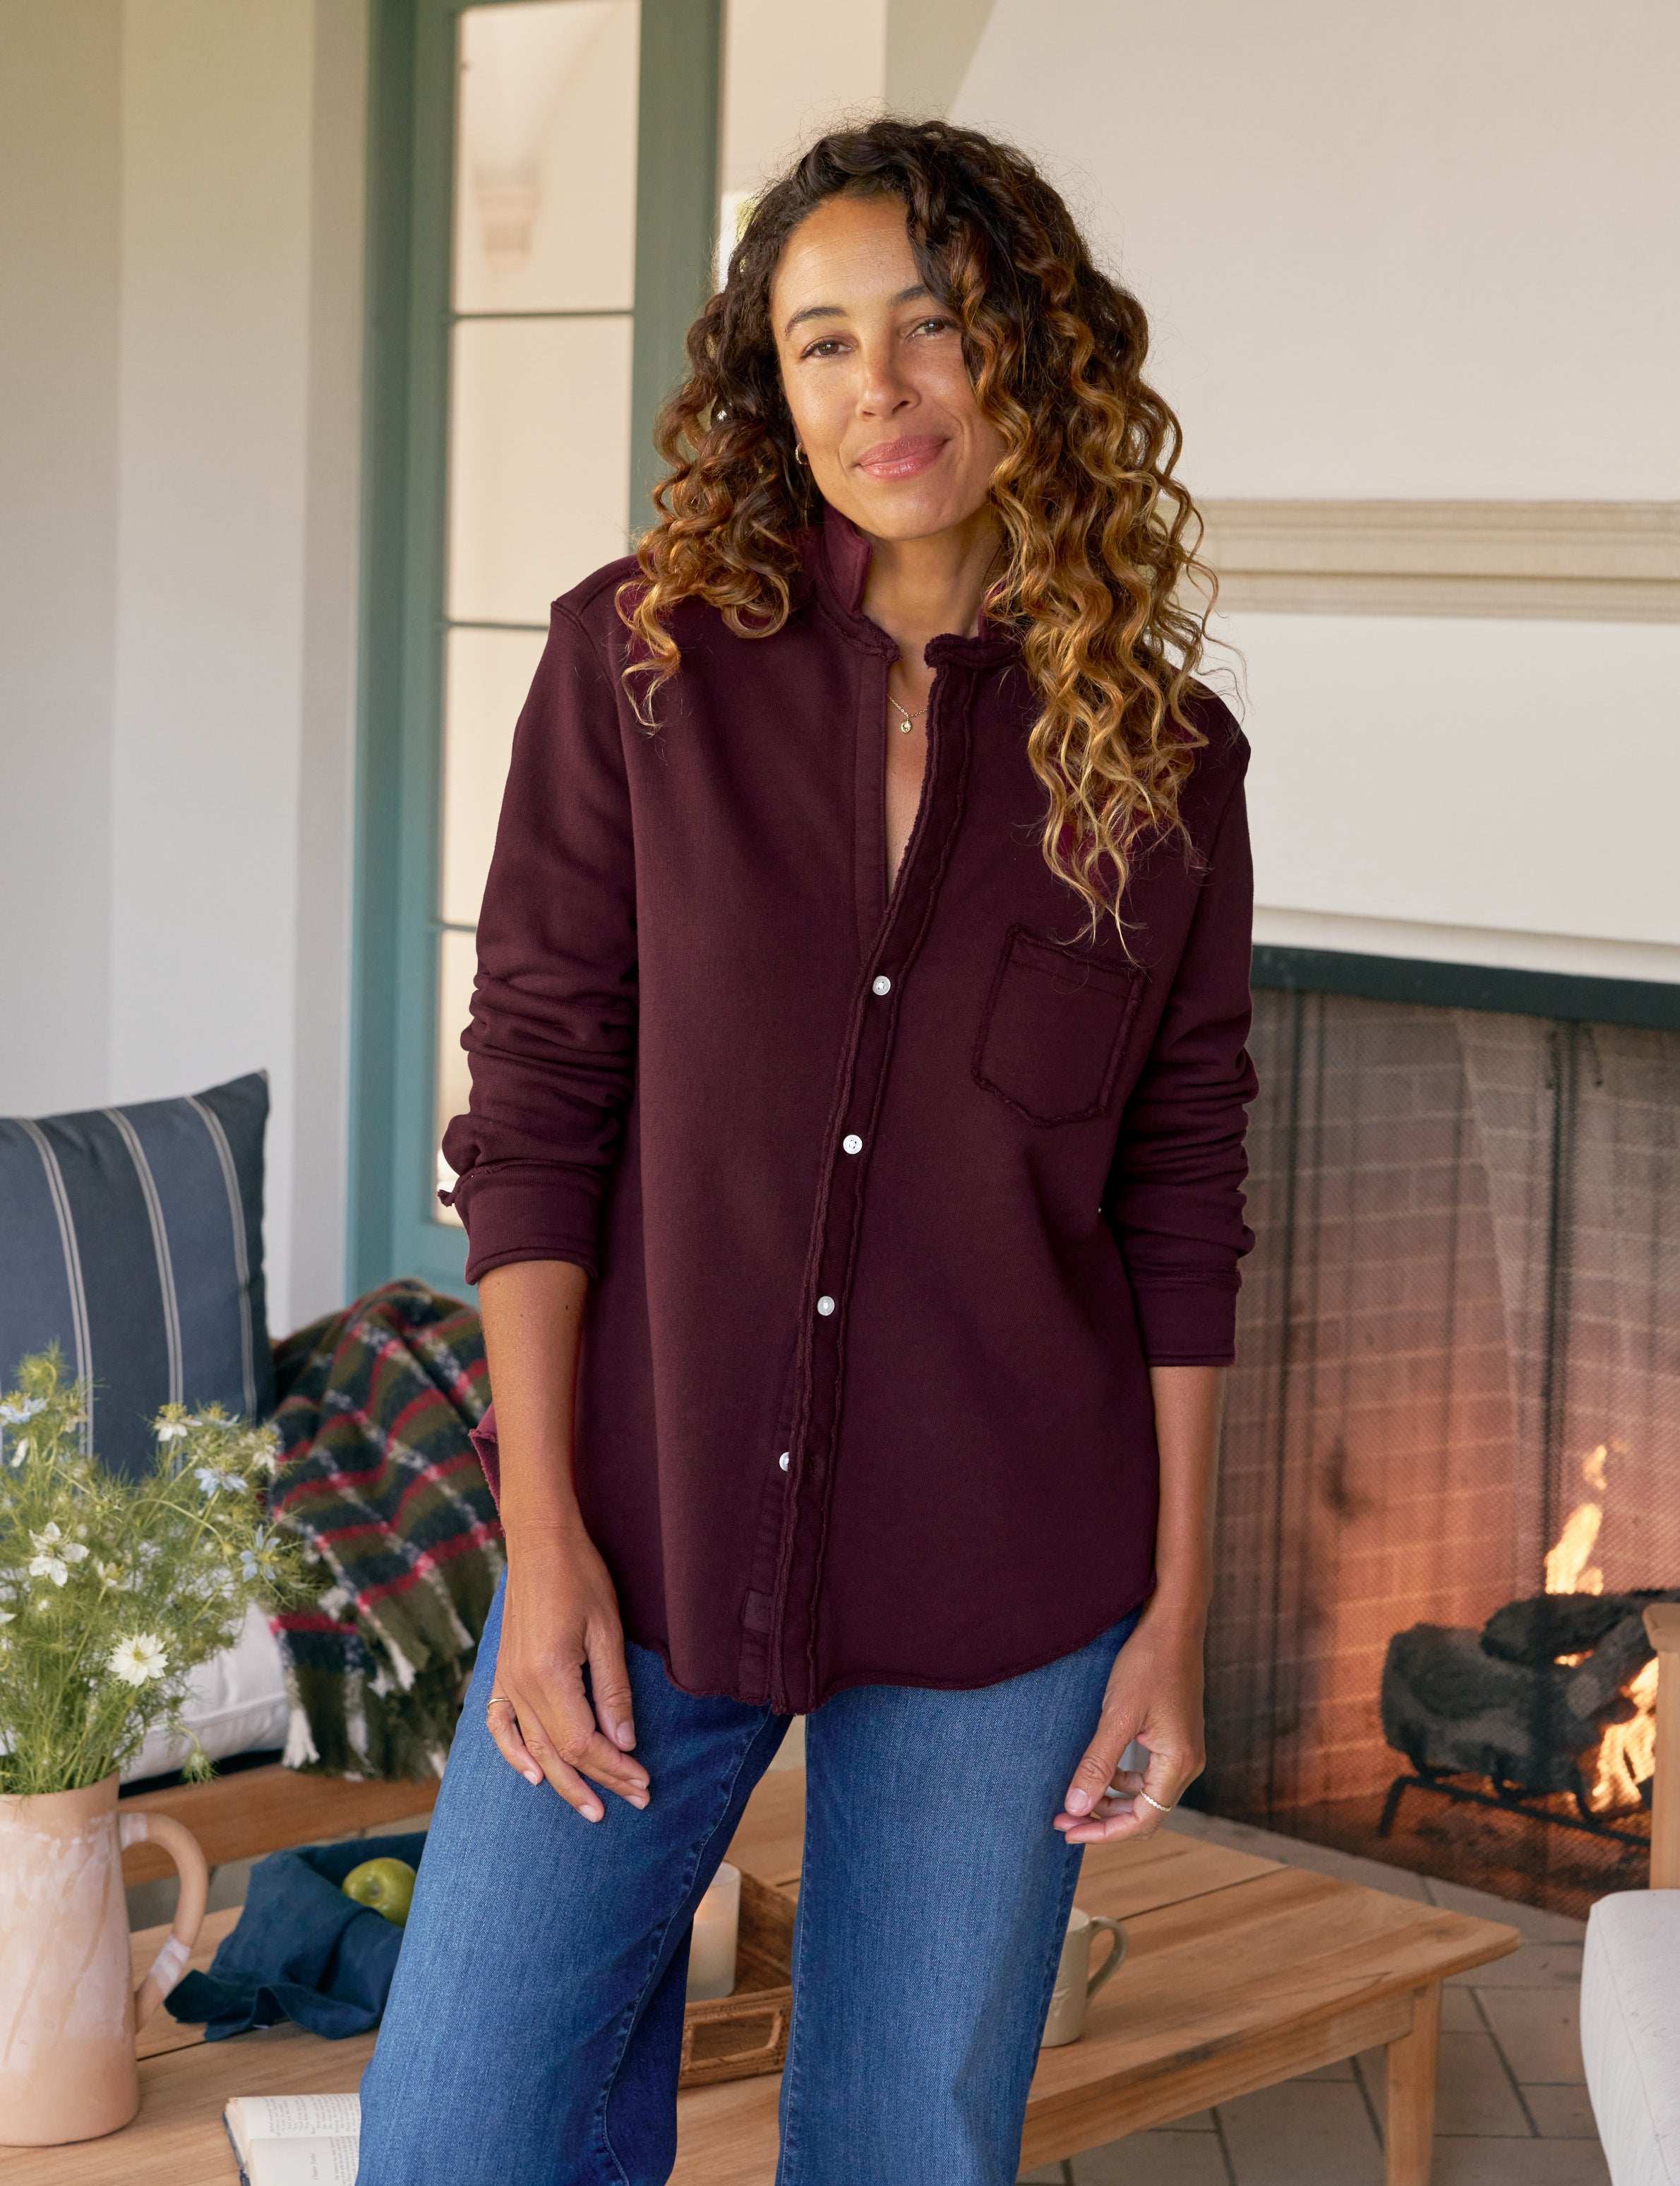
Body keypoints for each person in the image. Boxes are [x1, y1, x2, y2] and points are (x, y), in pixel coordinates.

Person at [356, 117, 1256, 2186]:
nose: (881, 393)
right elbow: (537, 1093)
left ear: (1031, 354)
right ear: (769, 386)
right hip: (641, 1543)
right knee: (460, 2131)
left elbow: (1181, 1188)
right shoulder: (636, 663)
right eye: (822, 343)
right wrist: (546, 1535)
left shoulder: (1168, 762)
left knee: (901, 2149)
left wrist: (1175, 1609)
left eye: (932, 330)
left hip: (1009, 1568)